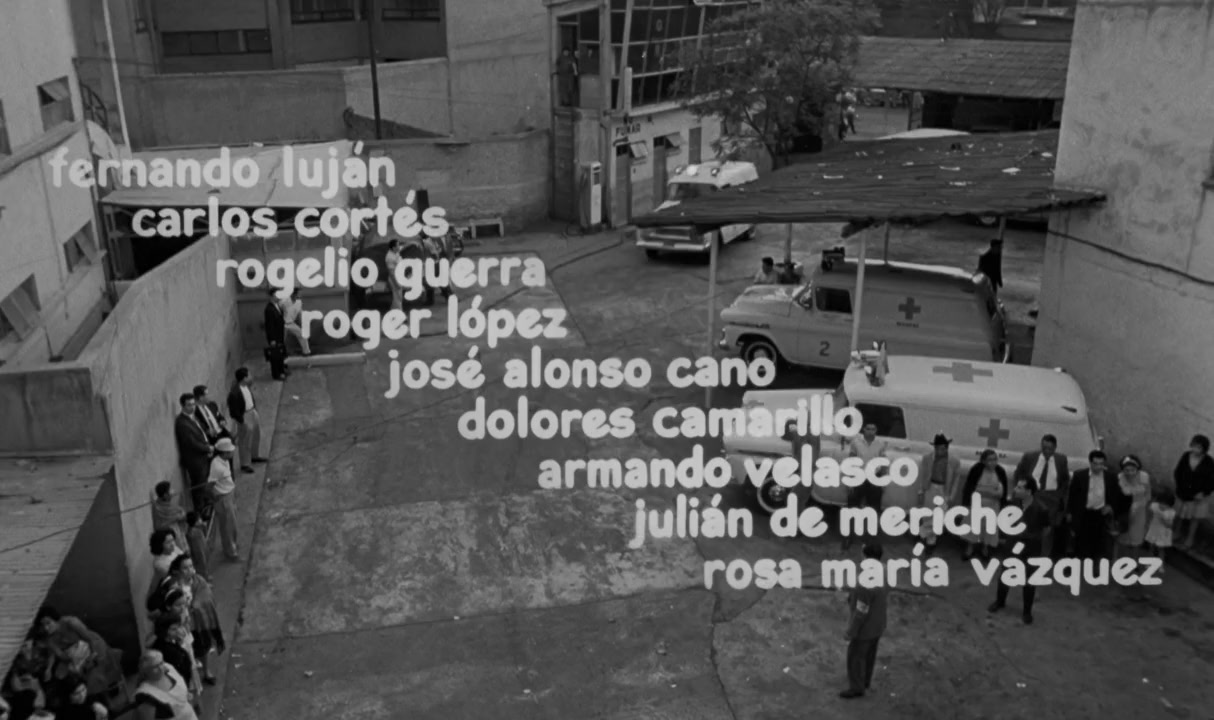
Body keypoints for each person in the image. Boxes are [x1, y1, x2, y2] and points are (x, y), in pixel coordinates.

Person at [988, 479, 1051, 624]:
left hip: (1031, 547)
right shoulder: (1013, 504)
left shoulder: (1042, 509)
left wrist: (1033, 538)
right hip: (1013, 543)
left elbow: (1046, 529)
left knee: (1029, 580)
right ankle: (1000, 601)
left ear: (1028, 491)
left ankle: (1027, 612)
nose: (1016, 489)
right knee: (1005, 574)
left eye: (1020, 487)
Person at [34, 608, 123, 702]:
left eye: (48, 623)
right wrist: (49, 668)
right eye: (43, 625)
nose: (46, 628)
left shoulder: (71, 622)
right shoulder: (50, 639)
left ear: (56, 619)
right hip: (74, 655)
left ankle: (106, 687)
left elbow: (89, 638)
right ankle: (90, 695)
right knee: (61, 675)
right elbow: (54, 653)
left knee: (95, 670)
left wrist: (92, 655)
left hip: (91, 645)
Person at [839, 542, 888, 699]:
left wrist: (851, 632)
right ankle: (865, 680)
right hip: (879, 623)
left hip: (865, 629)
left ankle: (856, 687)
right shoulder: (885, 570)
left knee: (855, 657)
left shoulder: (865, 584)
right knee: (870, 654)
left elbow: (861, 612)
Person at [1013, 434, 1070, 558]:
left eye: (1050, 449)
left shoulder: (1061, 460)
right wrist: (1020, 492)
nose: (1046, 451)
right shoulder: (1029, 457)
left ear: (1055, 448)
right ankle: (1021, 557)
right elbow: (1018, 474)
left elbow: (1065, 481)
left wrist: (1060, 498)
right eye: (1044, 448)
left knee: (1047, 532)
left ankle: (1042, 559)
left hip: (1051, 499)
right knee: (1025, 528)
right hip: (1032, 496)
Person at [1067, 450, 1129, 560]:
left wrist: (1111, 507)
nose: (1098, 467)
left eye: (1101, 464)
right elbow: (1072, 496)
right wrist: (1069, 513)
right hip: (1084, 514)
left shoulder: (1111, 477)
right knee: (1081, 543)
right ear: (1090, 463)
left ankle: (1095, 565)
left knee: (1099, 545)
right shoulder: (1080, 476)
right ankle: (1080, 564)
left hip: (1101, 515)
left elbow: (1117, 495)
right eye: (1095, 464)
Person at [842, 423, 887, 549]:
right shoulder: (856, 443)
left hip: (874, 478)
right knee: (851, 508)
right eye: (868, 429)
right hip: (858, 477)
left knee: (873, 510)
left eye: (873, 429)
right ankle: (848, 537)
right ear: (864, 430)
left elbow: (884, 462)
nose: (871, 431)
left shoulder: (880, 444)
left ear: (876, 430)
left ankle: (870, 540)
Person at [916, 433, 962, 554]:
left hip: (944, 489)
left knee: (940, 516)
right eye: (936, 448)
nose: (938, 451)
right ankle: (930, 540)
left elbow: (956, 480)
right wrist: (921, 490)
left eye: (941, 448)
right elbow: (922, 475)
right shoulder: (927, 458)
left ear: (947, 448)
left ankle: (923, 533)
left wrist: (951, 495)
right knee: (927, 513)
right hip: (930, 487)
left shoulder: (954, 461)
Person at [960, 449, 1008, 560]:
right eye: (989, 460)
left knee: (989, 528)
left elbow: (1001, 493)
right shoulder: (976, 469)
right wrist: (990, 492)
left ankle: (985, 549)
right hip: (977, 504)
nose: (993, 462)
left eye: (995, 459)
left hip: (993, 506)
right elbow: (970, 488)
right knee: (973, 527)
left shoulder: (1000, 471)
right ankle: (970, 548)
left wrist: (983, 491)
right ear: (983, 461)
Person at [173, 393, 213, 516]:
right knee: (198, 485)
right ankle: (200, 510)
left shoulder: (192, 417)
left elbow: (200, 432)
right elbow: (191, 443)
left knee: (204, 482)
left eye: (193, 404)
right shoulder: (182, 423)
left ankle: (205, 504)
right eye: (189, 405)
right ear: (182, 406)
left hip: (202, 456)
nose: (192, 407)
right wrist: (207, 448)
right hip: (195, 460)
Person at [1173, 433, 1214, 549]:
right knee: (1179, 514)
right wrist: (1180, 487)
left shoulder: (1209, 462)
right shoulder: (1186, 456)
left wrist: (1204, 492)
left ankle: (1189, 539)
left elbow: (1212, 480)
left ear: (1204, 449)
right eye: (1194, 446)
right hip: (1183, 492)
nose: (1196, 449)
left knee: (1195, 518)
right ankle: (1176, 533)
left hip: (1199, 496)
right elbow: (1178, 472)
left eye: (1199, 447)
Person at [149, 616, 200, 709]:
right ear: (164, 630)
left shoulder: (172, 641)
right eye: (173, 629)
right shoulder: (165, 649)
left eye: (177, 627)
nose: (177, 631)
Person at [131, 650, 197, 720]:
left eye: (161, 663)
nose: (160, 668)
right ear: (146, 671)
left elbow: (181, 688)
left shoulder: (169, 670)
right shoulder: (145, 694)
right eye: (155, 667)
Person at [226, 368, 265, 475]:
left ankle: (254, 456)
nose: (251, 377)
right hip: (244, 415)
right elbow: (233, 411)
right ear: (244, 378)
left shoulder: (246, 386)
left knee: (256, 435)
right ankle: (245, 464)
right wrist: (241, 420)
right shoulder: (234, 393)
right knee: (245, 440)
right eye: (249, 375)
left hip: (252, 411)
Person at [206, 438, 240, 561]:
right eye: (230, 451)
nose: (232, 453)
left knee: (232, 523)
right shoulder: (217, 467)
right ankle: (230, 551)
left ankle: (233, 544)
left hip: (229, 493)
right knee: (227, 526)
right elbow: (209, 486)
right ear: (225, 453)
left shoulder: (224, 461)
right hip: (223, 497)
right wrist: (214, 497)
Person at [1115, 454, 1152, 559]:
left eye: (1133, 470)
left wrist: (1140, 504)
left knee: (1137, 537)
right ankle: (1118, 559)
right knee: (1122, 536)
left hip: (1139, 512)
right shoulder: (1119, 478)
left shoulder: (1144, 477)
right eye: (1127, 470)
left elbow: (1148, 495)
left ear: (1137, 468)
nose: (1130, 473)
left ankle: (1135, 560)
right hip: (1124, 512)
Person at [1145, 489, 1177, 571]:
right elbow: (1149, 512)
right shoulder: (1155, 506)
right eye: (1161, 503)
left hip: (1163, 533)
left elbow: (1170, 525)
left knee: (1161, 549)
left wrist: (1163, 520)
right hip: (1153, 530)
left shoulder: (1171, 512)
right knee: (1151, 547)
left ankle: (1160, 565)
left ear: (1170, 505)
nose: (1162, 506)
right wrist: (1148, 522)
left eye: (1165, 504)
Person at [151, 481, 188, 548]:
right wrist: (175, 518)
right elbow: (158, 527)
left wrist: (181, 515)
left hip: (178, 533)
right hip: (170, 539)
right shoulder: (158, 508)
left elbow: (181, 512)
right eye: (170, 490)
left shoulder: (167, 503)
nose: (172, 491)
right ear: (165, 495)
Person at [148, 529, 184, 594]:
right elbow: (176, 578)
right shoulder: (160, 563)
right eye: (168, 542)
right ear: (160, 545)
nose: (172, 544)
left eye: (173, 540)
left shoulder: (174, 549)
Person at [263, 289, 288, 380]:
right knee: (275, 356)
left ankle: (282, 371)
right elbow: (269, 326)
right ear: (272, 296)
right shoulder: (269, 309)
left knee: (280, 354)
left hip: (279, 335)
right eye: (277, 295)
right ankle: (276, 374)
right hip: (274, 337)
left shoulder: (277, 305)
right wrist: (272, 339)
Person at [281, 289, 311, 356]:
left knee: (302, 335)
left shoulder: (299, 302)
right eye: (298, 293)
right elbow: (278, 311)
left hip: (291, 323)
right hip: (282, 324)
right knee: (281, 339)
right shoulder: (284, 301)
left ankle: (306, 352)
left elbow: (300, 314)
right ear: (293, 294)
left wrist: (302, 325)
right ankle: (280, 353)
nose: (299, 295)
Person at [184, 512, 211, 582]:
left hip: (201, 551)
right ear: (195, 522)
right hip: (199, 553)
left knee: (204, 565)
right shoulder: (194, 533)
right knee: (201, 567)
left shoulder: (195, 529)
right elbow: (197, 547)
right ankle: (204, 580)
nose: (201, 520)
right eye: (199, 519)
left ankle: (206, 577)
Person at [385, 239, 403, 311]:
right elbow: (391, 272)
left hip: (399, 277)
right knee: (397, 297)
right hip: (394, 279)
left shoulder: (396, 252)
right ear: (393, 247)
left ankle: (393, 311)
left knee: (398, 296)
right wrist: (396, 283)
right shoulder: (390, 257)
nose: (399, 246)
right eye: (398, 245)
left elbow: (403, 247)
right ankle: (399, 314)